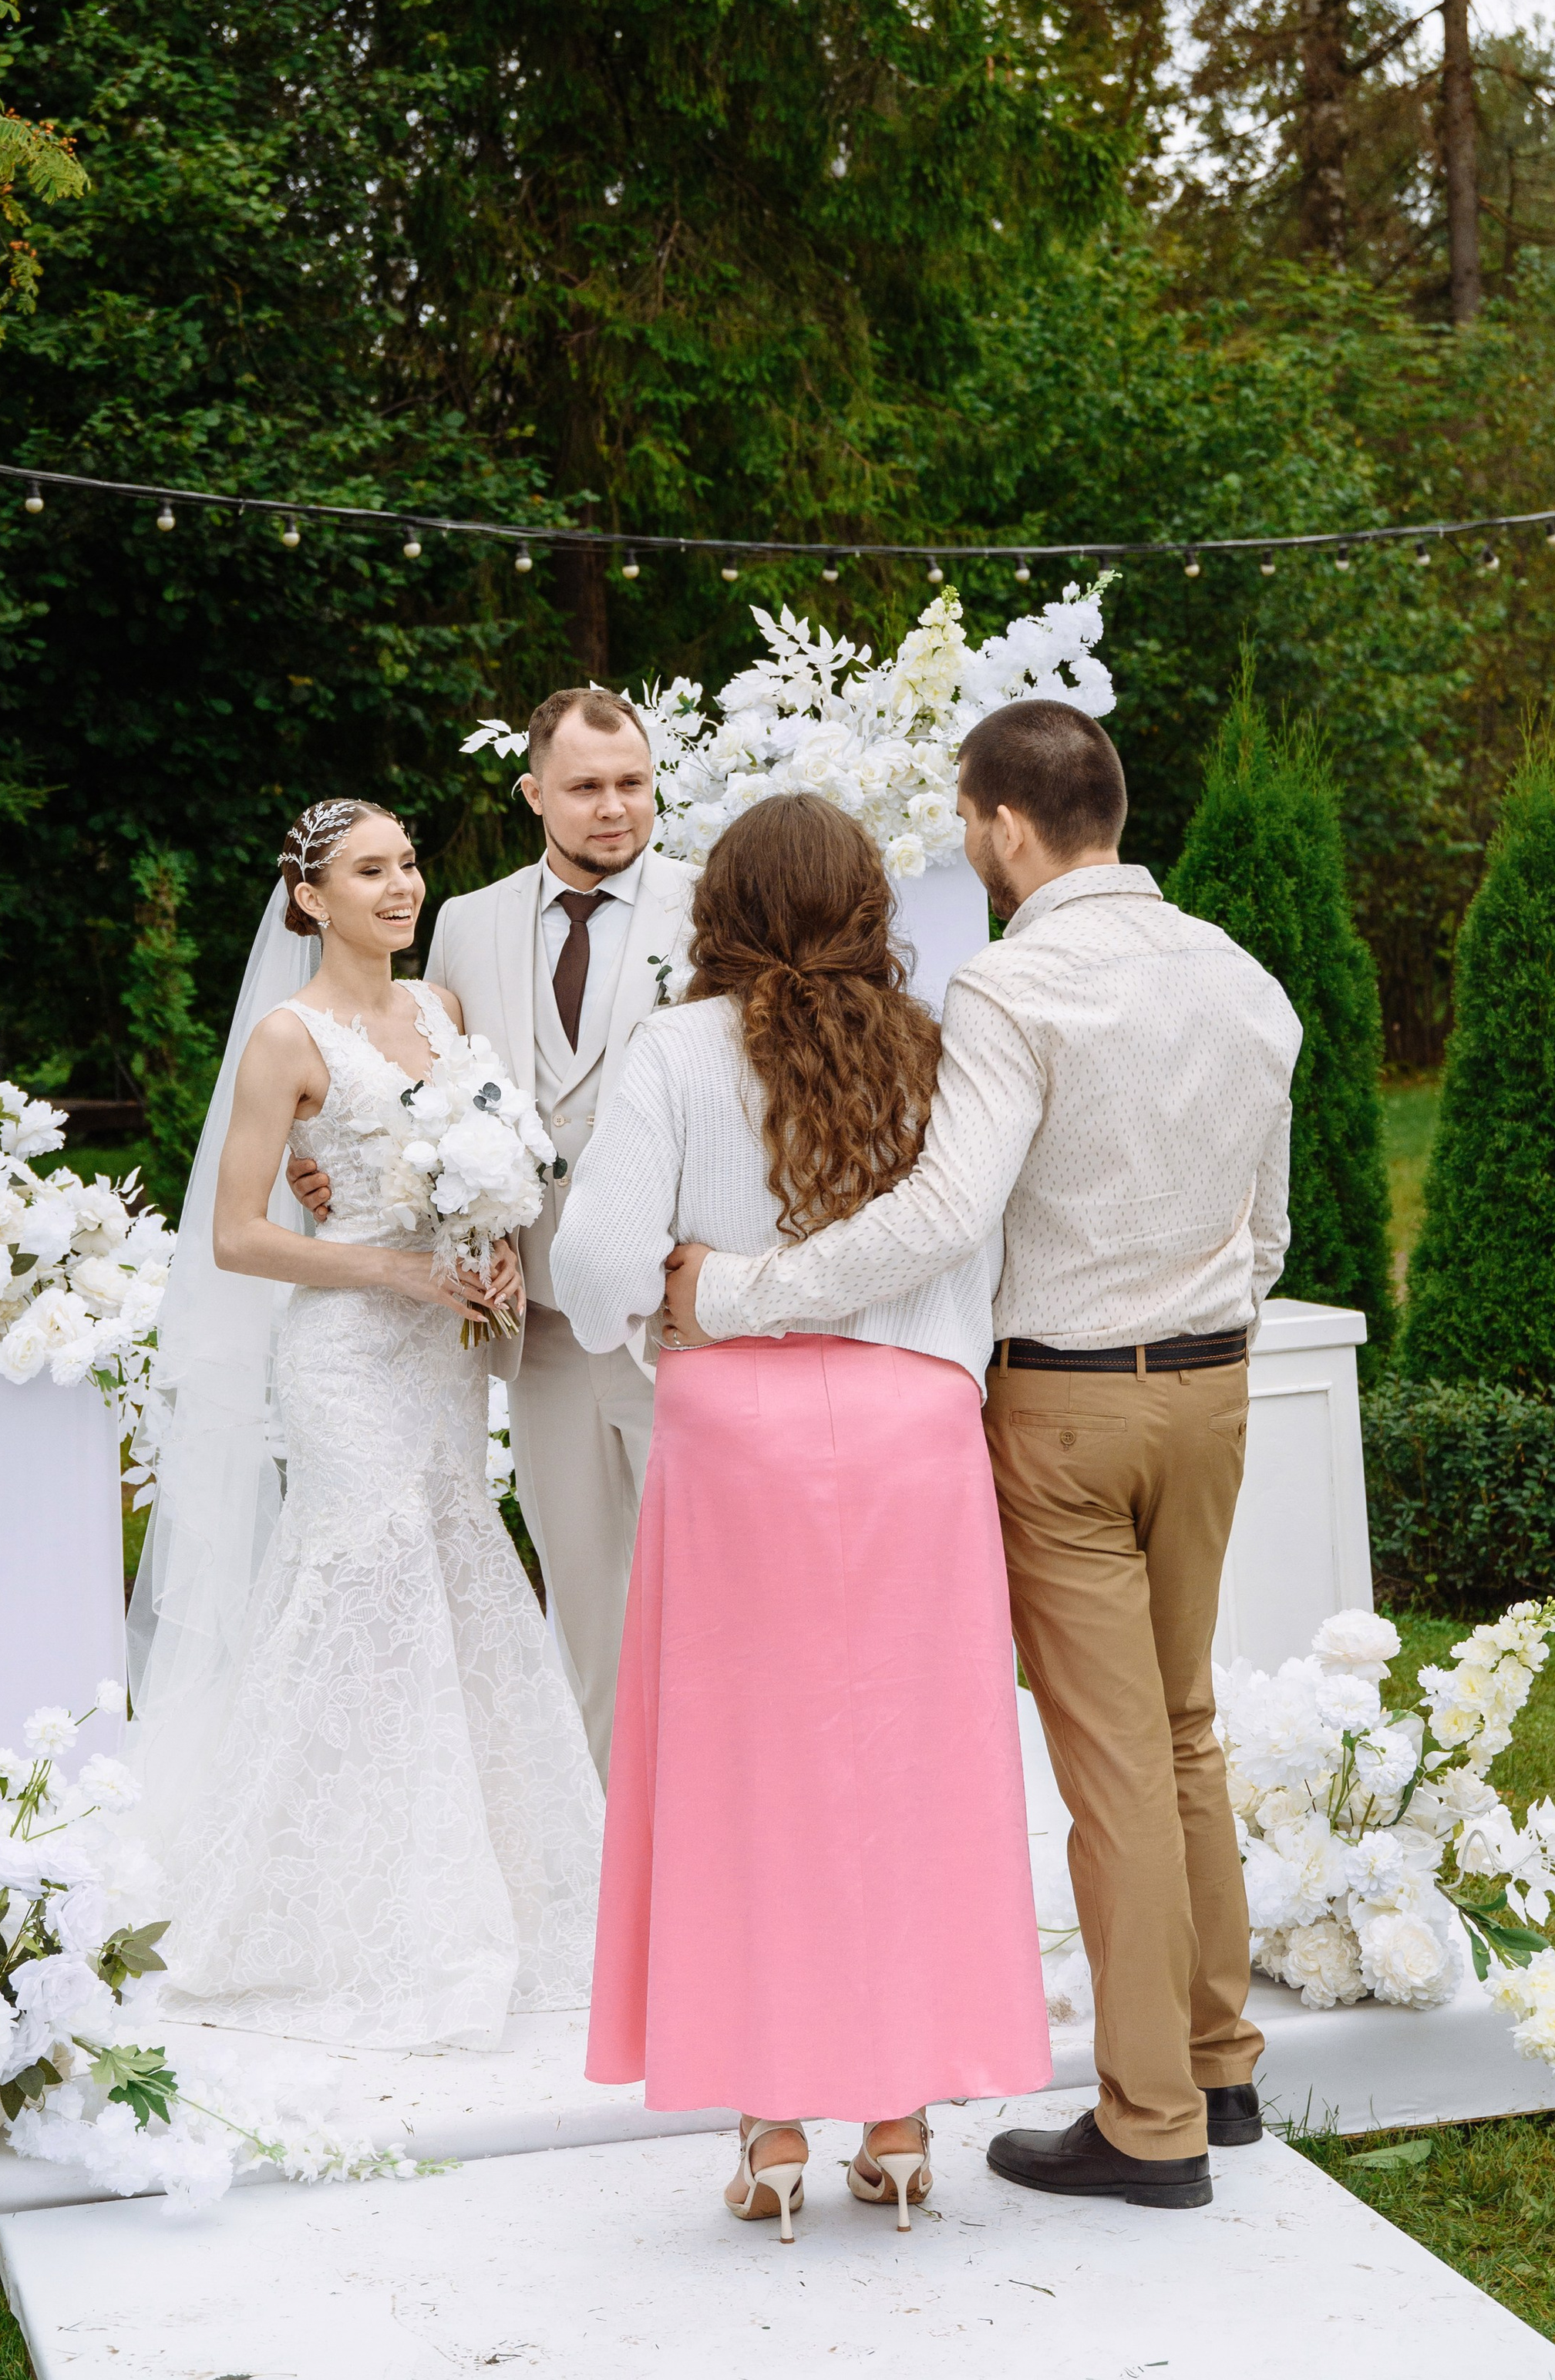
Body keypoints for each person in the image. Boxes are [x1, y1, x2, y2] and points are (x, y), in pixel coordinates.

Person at [665, 701, 1302, 2211]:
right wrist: (1202, 1328)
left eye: (966, 820)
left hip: (1064, 1408)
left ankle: (1145, 2124)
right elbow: (1266, 1226)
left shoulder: (1012, 986)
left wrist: (736, 1292)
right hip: (1211, 1392)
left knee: (1110, 1770)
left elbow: (944, 1215)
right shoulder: (1243, 977)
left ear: (1003, 825)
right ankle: (1218, 2066)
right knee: (1183, 1725)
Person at [550, 792, 1049, 2243]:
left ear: (723, 908)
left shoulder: (674, 1049)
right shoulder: (935, 1050)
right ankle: (896, 2123)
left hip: (737, 1437)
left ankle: (769, 2128)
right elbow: (974, 1247)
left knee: (742, 1774)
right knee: (914, 1766)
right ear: (865, 910)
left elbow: (594, 1260)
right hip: (911, 1436)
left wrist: (658, 1311)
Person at [136, 797, 602, 2049]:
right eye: (369, 870)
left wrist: (492, 1252)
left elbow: (482, 1169)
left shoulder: (441, 1016)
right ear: (310, 898)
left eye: (406, 865)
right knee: (366, 1589)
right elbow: (237, 1235)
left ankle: (481, 1889)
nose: (401, 887)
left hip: (446, 1352)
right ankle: (323, 1912)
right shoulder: (289, 1039)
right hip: (347, 1353)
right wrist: (397, 1272)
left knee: (455, 1581)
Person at [289, 689, 695, 1779]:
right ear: (533, 794)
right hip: (543, 1330)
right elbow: (410, 1088)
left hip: (677, 1319)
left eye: (632, 783)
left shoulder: (707, 908)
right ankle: (612, 1872)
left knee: (702, 1606)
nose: (614, 808)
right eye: (586, 787)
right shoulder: (464, 919)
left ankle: (710, 1848)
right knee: (585, 1612)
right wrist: (315, 1154)